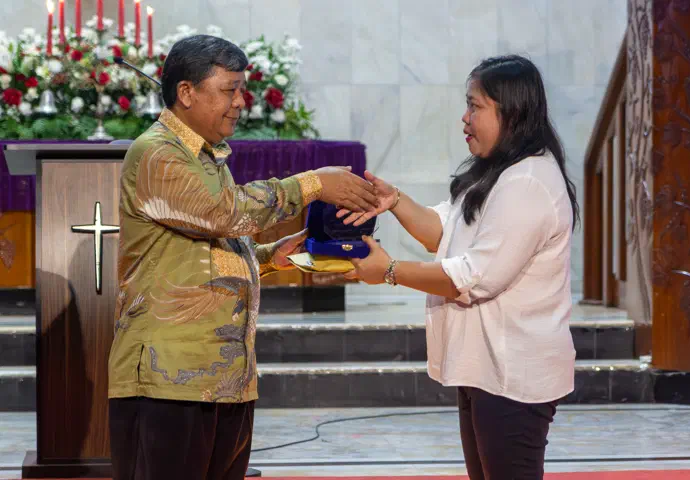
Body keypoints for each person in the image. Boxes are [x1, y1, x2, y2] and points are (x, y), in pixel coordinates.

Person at [107, 34, 377, 480]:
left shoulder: (207, 157)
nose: (239, 102)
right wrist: (312, 184)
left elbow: (207, 242)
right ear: (186, 92)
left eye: (241, 90)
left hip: (227, 380)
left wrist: (270, 256)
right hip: (169, 377)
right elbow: (223, 214)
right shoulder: (156, 152)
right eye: (229, 89)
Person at [344, 55, 579, 479]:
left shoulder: (528, 181)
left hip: (513, 373)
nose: (464, 119)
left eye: (475, 106)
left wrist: (390, 271)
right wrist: (394, 201)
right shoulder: (501, 170)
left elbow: (473, 277)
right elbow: (447, 232)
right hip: (487, 367)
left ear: (511, 111)